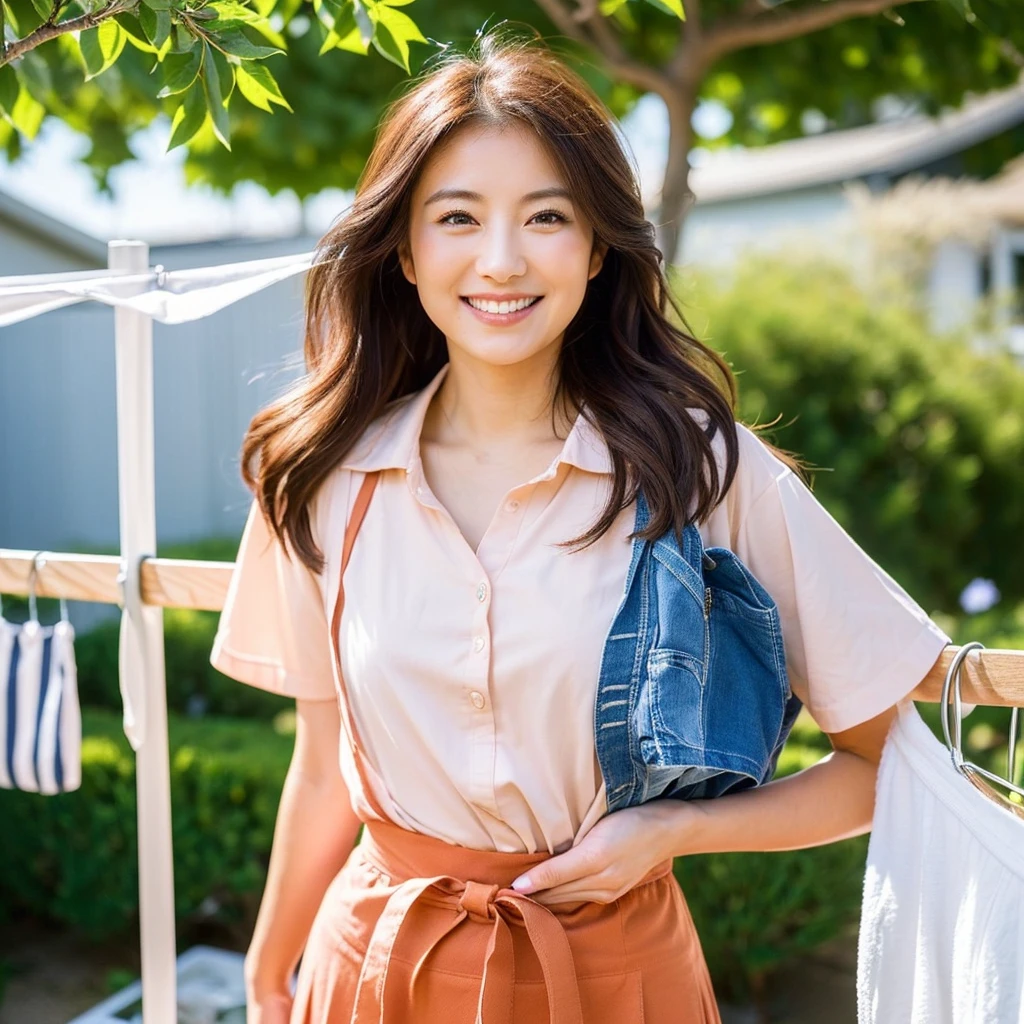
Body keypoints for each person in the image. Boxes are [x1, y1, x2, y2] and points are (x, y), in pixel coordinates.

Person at [210, 27, 951, 1024]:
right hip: (373, 969)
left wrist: (670, 834)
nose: (502, 259)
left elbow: (882, 762)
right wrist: (268, 972)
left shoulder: (698, 465)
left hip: (612, 974)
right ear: (405, 248)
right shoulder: (322, 476)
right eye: (458, 217)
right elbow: (324, 758)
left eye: (545, 216)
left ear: (598, 246)